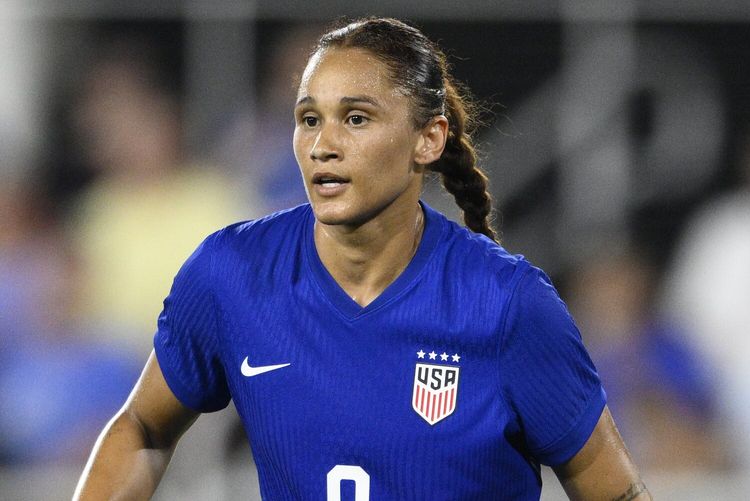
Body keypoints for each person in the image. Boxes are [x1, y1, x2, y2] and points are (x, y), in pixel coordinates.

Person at [74, 18, 650, 500]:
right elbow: (143, 428)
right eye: (308, 119)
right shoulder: (233, 273)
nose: (323, 144)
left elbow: (616, 493)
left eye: (355, 118)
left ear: (428, 139)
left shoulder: (507, 305)